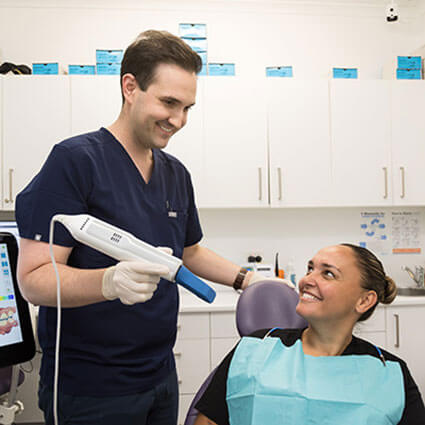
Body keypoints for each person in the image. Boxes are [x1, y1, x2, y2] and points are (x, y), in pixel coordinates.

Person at [15, 30, 286, 425]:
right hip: (92, 387)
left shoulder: (175, 174)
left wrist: (247, 280)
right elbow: (34, 279)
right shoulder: (74, 162)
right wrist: (108, 282)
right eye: (169, 103)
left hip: (160, 375)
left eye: (188, 108)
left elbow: (188, 251)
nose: (178, 120)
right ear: (130, 87)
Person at [194, 244, 425, 425]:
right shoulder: (255, 347)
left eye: (328, 274)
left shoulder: (389, 372)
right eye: (310, 269)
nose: (306, 281)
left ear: (364, 300)